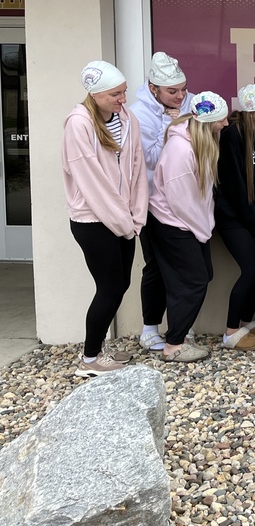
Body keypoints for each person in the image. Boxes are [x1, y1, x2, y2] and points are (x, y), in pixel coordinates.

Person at [63, 61, 148, 377]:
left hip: (123, 219)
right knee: (109, 287)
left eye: (124, 92)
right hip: (93, 221)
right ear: (95, 94)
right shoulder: (79, 124)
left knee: (121, 283)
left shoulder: (127, 119)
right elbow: (93, 183)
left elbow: (137, 168)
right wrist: (124, 222)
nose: (122, 99)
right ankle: (89, 360)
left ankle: (98, 350)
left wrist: (136, 215)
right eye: (115, 94)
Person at [147, 92, 230, 362]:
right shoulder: (181, 150)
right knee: (193, 281)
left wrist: (202, 226)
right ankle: (174, 345)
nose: (226, 123)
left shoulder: (199, 142)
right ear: (207, 123)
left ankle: (178, 337)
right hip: (172, 224)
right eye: (221, 119)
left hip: (187, 223)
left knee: (198, 277)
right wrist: (203, 230)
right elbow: (181, 201)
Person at [130, 52, 194, 353]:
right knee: (155, 265)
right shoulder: (138, 114)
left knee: (186, 267)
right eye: (173, 91)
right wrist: (170, 125)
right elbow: (151, 159)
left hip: (186, 201)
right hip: (153, 203)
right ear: (153, 88)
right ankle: (150, 328)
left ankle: (181, 326)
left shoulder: (189, 102)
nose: (181, 96)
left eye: (183, 89)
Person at [214, 84, 255, 351]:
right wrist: (254, 225)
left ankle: (244, 322)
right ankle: (230, 332)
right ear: (251, 111)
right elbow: (235, 186)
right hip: (233, 217)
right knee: (251, 269)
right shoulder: (233, 135)